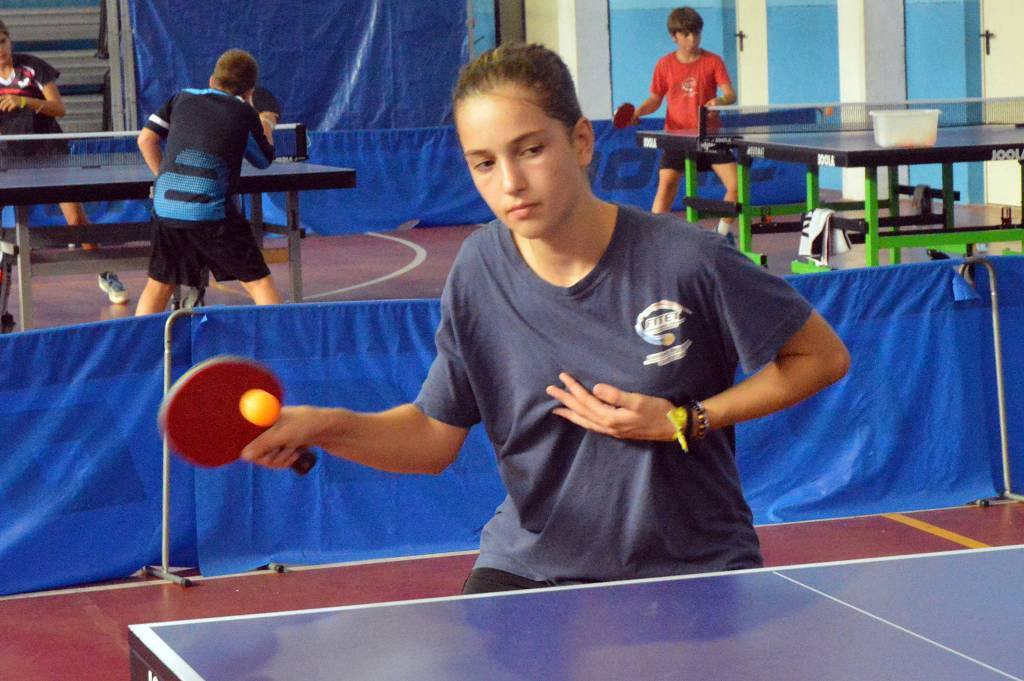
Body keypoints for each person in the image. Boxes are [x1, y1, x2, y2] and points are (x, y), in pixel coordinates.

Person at [241, 43, 850, 593]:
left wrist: (685, 420)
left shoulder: (689, 258)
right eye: (483, 163)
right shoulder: (480, 268)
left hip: (691, 566)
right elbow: (431, 440)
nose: (510, 183)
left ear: (581, 142)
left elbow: (821, 357)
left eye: (530, 150)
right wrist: (322, 424)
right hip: (530, 569)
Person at [134, 48, 284, 316]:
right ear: (249, 91)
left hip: (166, 208)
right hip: (211, 213)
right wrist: (266, 122)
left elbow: (145, 140)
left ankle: (138, 348)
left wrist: (166, 179)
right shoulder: (243, 112)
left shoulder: (179, 98)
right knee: (258, 282)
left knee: (159, 285)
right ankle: (280, 346)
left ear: (212, 80)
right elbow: (263, 160)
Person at [0, 19, 128, 304]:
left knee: (74, 217)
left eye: (2, 42)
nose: (0, 50)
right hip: (8, 156)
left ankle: (104, 271)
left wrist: (25, 102)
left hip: (48, 151)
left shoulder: (32, 67)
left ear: (9, 40)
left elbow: (59, 109)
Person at [632, 7, 738, 241]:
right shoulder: (664, 65)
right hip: (677, 137)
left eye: (697, 33)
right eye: (687, 34)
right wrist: (640, 111)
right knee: (667, 185)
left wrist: (720, 100)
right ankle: (652, 240)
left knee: (737, 184)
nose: (693, 39)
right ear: (674, 36)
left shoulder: (713, 61)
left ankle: (721, 235)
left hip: (710, 136)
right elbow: (655, 99)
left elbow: (731, 94)